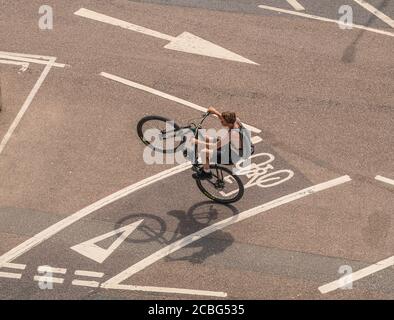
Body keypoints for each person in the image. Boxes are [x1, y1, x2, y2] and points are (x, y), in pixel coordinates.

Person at [191, 106, 254, 180]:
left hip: (234, 156)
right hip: (245, 147)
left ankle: (207, 173)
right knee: (207, 138)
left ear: (229, 123)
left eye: (223, 121)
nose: (221, 122)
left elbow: (214, 146)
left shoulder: (233, 134)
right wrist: (215, 112)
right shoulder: (236, 120)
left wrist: (197, 142)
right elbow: (224, 118)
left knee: (204, 152)